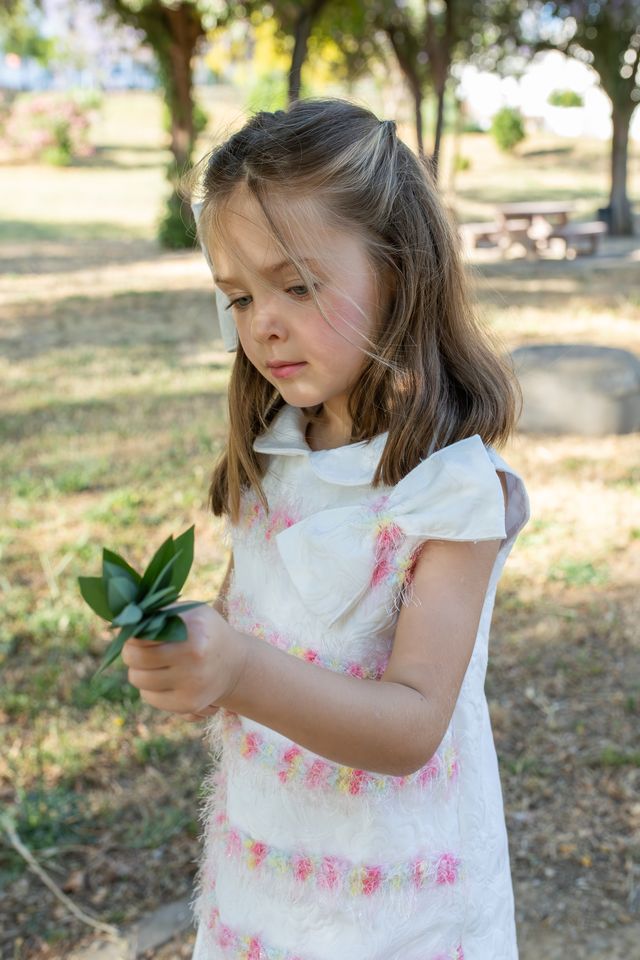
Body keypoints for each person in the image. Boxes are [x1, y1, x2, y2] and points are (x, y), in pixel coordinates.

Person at [122, 98, 530, 960]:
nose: (261, 321)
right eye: (237, 296)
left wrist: (236, 670)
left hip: (398, 909)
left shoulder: (450, 491)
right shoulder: (274, 455)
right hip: (267, 881)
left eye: (298, 284)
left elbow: (412, 724)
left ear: (399, 270)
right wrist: (193, 655)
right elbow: (254, 634)